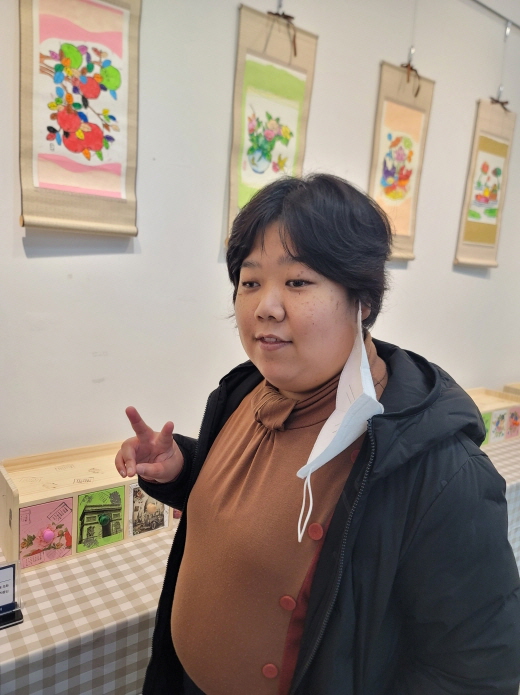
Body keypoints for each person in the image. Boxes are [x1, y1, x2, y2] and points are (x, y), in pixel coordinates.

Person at [115, 174, 520, 695]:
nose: (265, 306)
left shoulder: (439, 472)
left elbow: (477, 671)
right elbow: (256, 497)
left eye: (298, 282)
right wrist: (181, 468)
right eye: (250, 282)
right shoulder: (244, 391)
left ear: (362, 299)